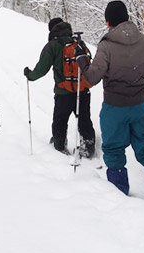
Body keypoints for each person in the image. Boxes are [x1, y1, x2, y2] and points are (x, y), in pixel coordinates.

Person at [74, 1, 144, 212]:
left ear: (108, 21)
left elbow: (91, 77)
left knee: (114, 148)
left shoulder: (106, 45)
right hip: (139, 105)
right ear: (126, 18)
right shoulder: (143, 41)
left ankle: (119, 191)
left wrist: (81, 58)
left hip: (114, 107)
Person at [24, 18, 96, 158]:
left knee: (60, 120)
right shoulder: (78, 43)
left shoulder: (52, 45)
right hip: (82, 90)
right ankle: (88, 146)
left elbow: (42, 69)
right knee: (84, 118)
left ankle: (59, 146)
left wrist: (30, 75)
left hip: (63, 92)